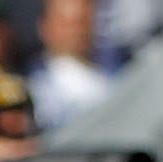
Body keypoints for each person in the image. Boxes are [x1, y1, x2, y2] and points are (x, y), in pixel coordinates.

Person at [27, 0, 111, 128]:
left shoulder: (118, 73)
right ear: (45, 26)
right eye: (68, 23)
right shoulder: (30, 84)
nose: (77, 31)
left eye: (84, 21)